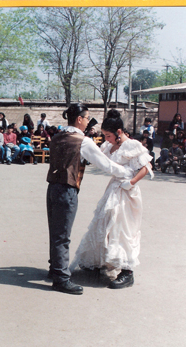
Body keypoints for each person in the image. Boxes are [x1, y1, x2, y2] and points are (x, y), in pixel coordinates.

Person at [45, 103, 131, 295]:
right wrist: (126, 171)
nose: (87, 123)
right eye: (86, 118)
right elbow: (106, 165)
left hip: (52, 188)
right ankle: (61, 278)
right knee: (63, 236)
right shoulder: (81, 141)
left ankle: (55, 269)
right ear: (79, 119)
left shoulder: (58, 136)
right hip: (67, 190)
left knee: (55, 232)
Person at [72, 109, 153, 289]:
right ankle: (101, 261)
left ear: (118, 132)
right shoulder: (109, 146)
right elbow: (100, 159)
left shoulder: (132, 145)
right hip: (113, 189)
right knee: (105, 223)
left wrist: (131, 182)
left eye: (108, 135)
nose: (106, 139)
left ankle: (127, 271)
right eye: (104, 136)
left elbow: (146, 166)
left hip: (127, 192)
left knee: (122, 228)